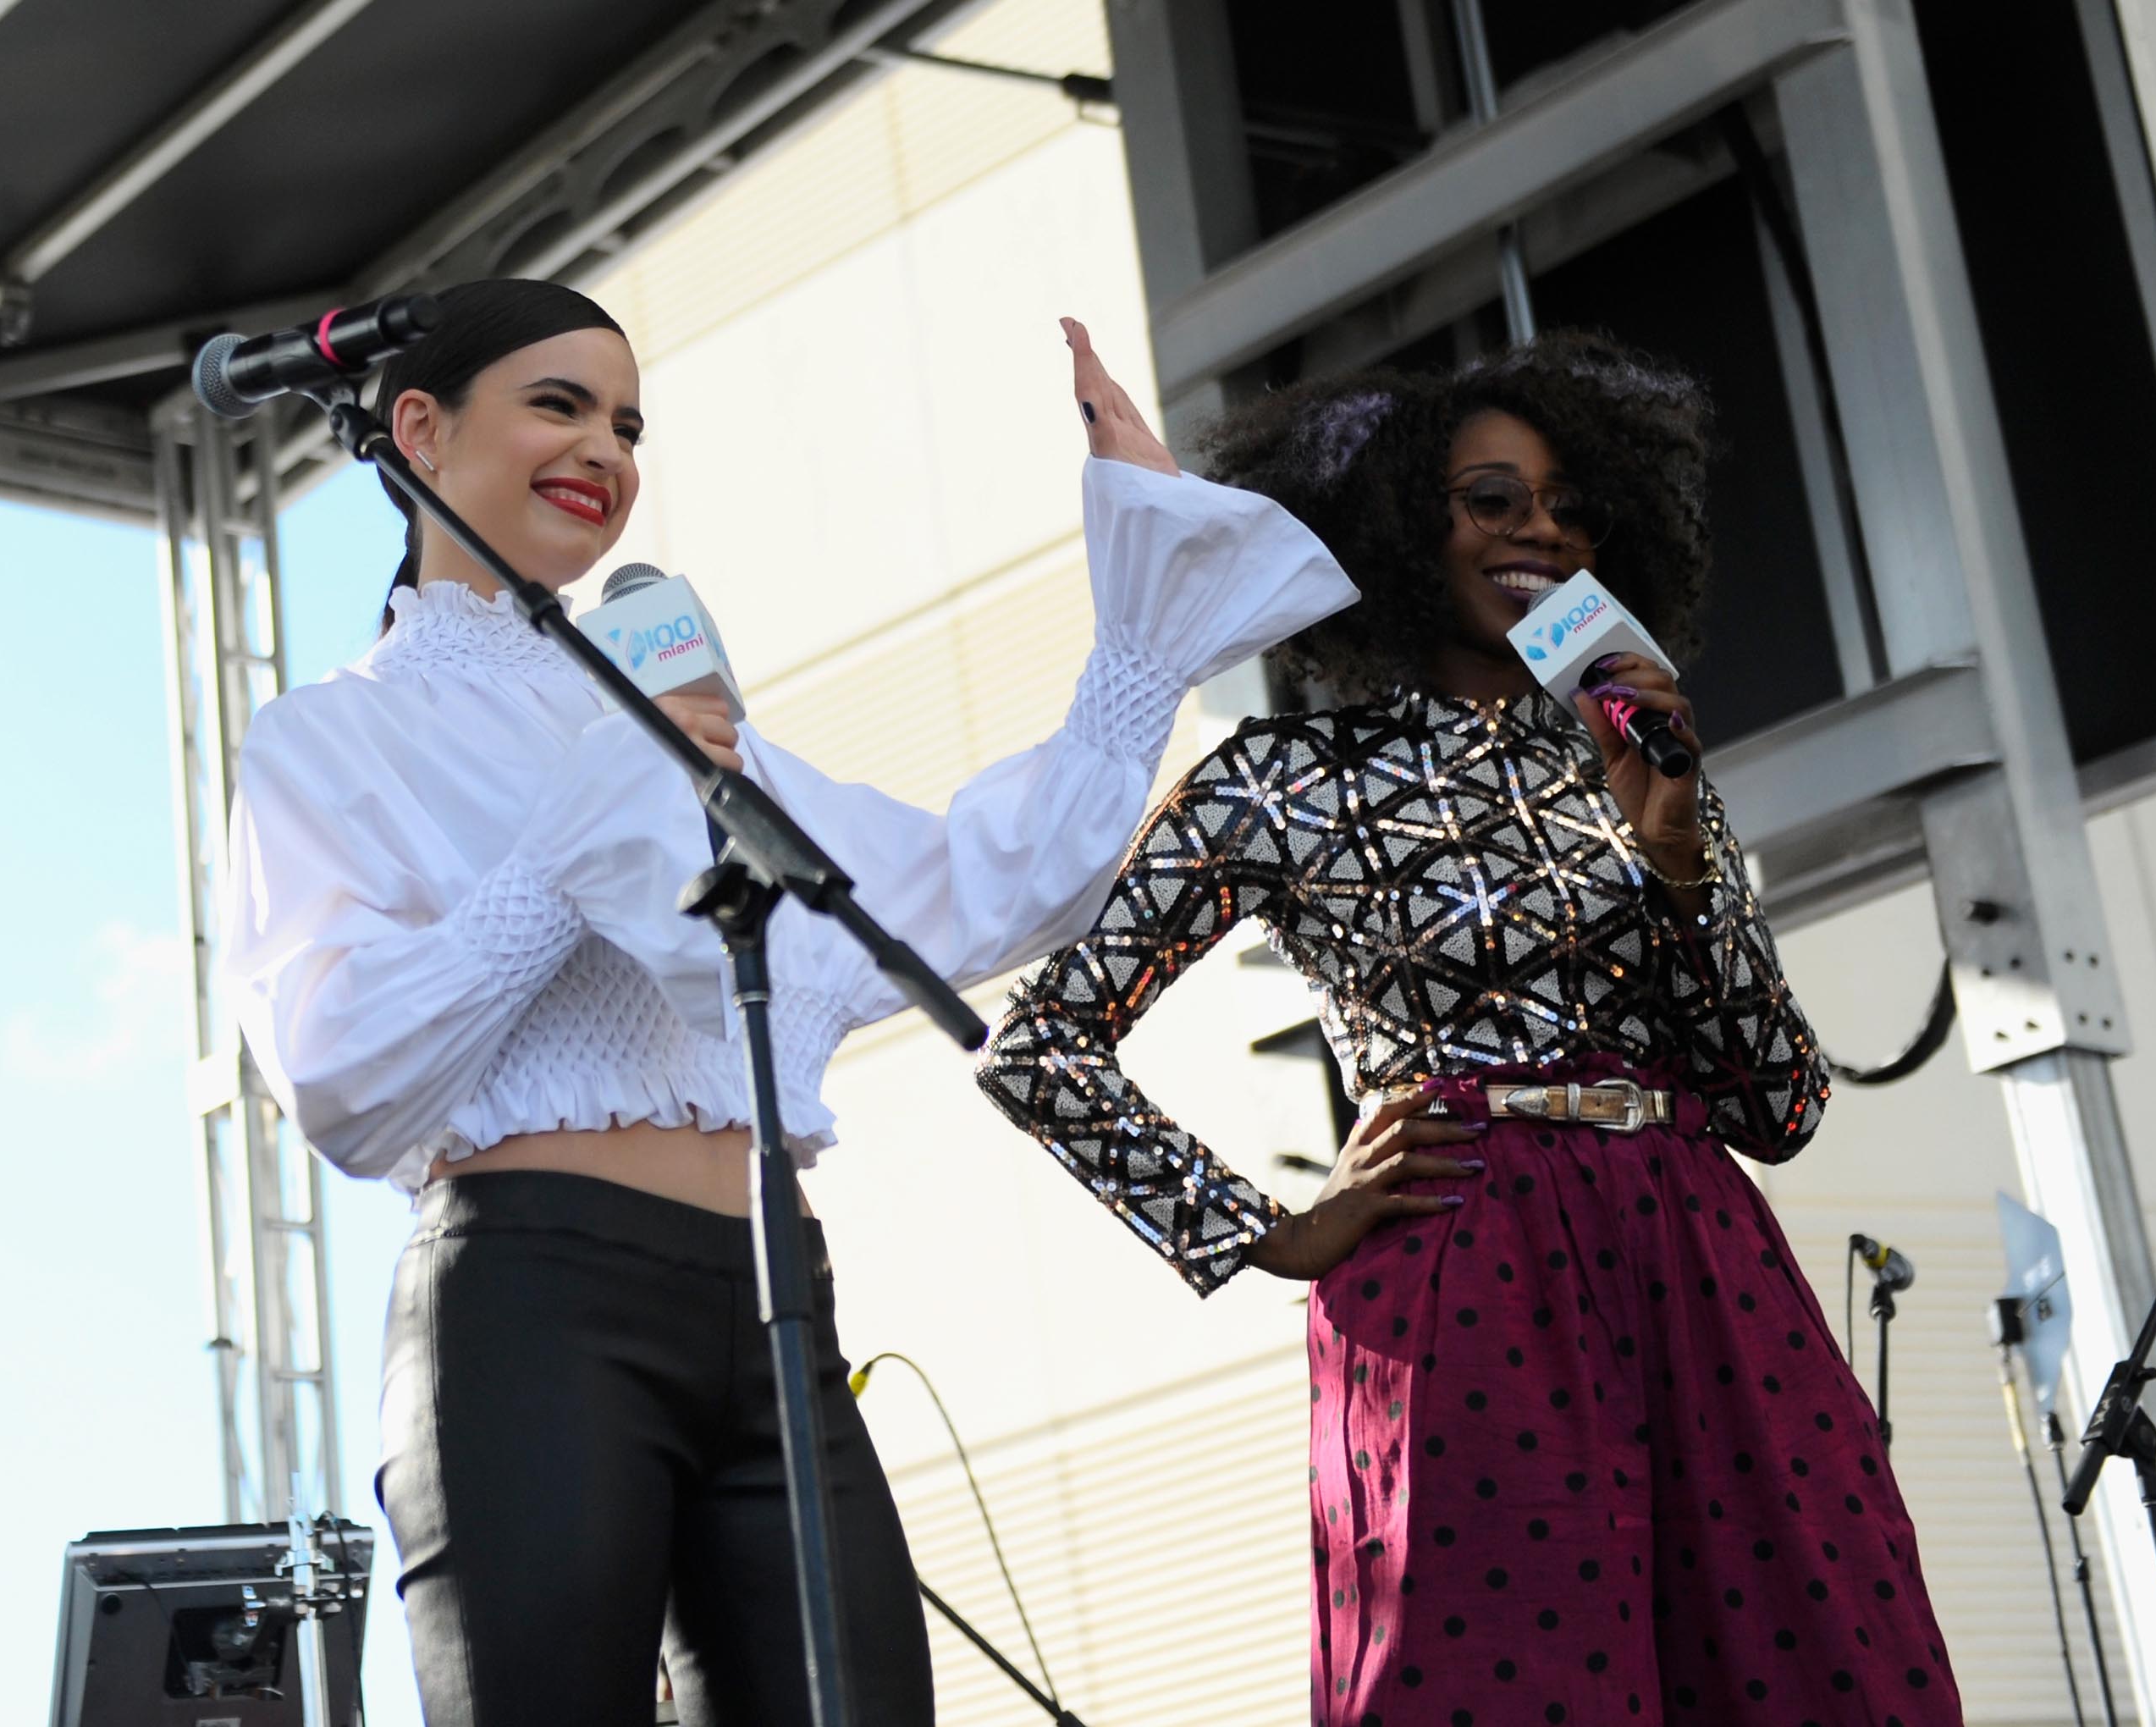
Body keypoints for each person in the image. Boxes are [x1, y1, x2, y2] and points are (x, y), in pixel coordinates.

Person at [220, 279, 1355, 1726]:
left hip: (769, 1295)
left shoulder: (666, 719)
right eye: (559, 406)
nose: (608, 453)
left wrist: (1138, 636)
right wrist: (565, 858)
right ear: (420, 430)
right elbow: (340, 1068)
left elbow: (968, 891)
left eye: (628, 423)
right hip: (532, 1293)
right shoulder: (339, 732)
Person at [978, 332, 1964, 1725]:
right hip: (1468, 1259)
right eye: (1493, 499)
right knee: (1503, 1680)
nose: (1543, 530)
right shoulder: (1283, 785)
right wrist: (1271, 1230)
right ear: (1396, 528)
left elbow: (1782, 1106)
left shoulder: (1635, 762)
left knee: (1822, 1661)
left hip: (1695, 1248)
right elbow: (1044, 1048)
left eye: (1571, 505)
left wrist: (1673, 843)